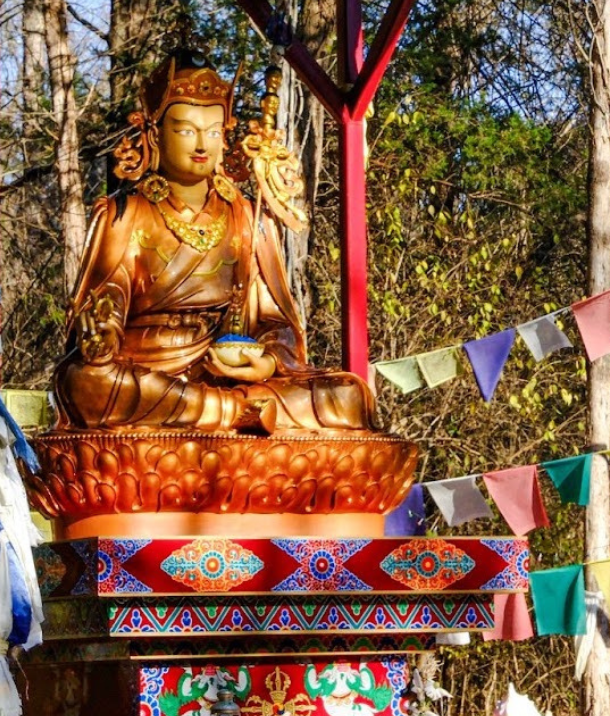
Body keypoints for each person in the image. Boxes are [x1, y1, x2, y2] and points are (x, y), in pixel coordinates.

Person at [52, 51, 377, 435]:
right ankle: (235, 415)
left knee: (348, 396)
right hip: (147, 370)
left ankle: (228, 411)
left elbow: (276, 320)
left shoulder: (245, 216)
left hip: (227, 373)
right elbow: (107, 296)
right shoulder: (127, 213)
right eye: (186, 130)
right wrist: (102, 333)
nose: (201, 144)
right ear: (155, 134)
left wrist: (268, 363)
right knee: (87, 383)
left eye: (212, 131)